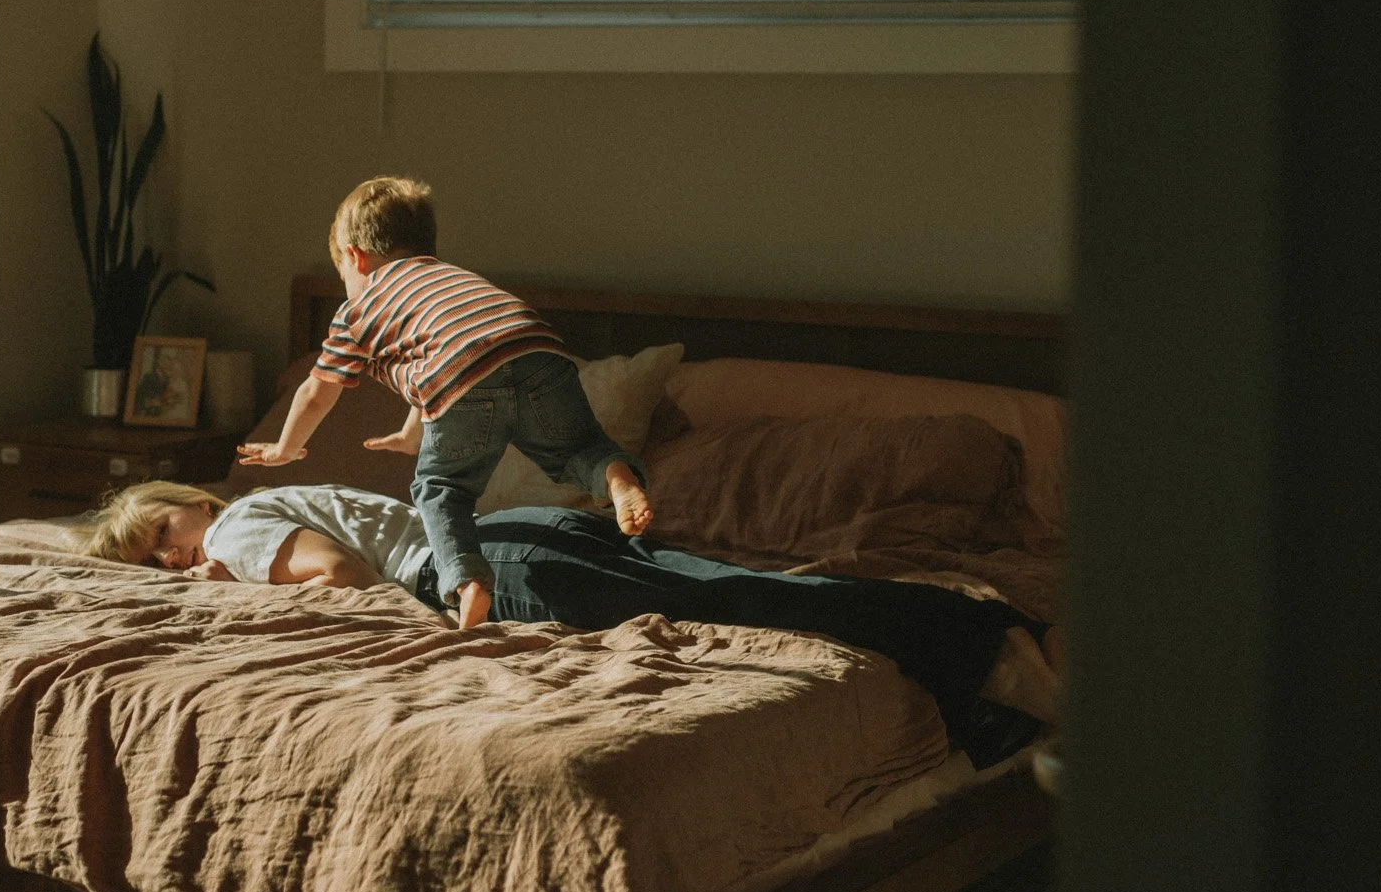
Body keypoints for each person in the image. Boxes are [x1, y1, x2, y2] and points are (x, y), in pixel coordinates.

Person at [83, 480, 1063, 767]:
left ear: (193, 500)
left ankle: (983, 647)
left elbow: (337, 573)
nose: (172, 561)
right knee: (740, 585)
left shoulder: (246, 523)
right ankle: (974, 637)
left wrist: (238, 580)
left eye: (163, 534)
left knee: (742, 598)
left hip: (481, 567)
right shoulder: (276, 496)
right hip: (517, 525)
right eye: (151, 561)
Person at [234, 175, 653, 630]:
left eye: (343, 276)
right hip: (539, 352)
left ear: (355, 256)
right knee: (576, 447)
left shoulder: (357, 311)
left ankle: (467, 582)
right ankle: (613, 474)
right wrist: (408, 434)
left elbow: (317, 392)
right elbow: (437, 364)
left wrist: (284, 448)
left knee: (442, 490)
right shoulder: (453, 279)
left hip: (461, 380)